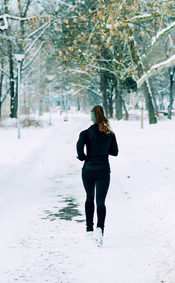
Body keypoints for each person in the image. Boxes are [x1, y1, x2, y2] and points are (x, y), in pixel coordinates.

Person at [76, 105, 118, 247]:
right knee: (101, 201)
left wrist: (83, 157)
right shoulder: (110, 134)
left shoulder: (85, 133)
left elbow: (80, 151)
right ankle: (100, 229)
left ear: (92, 117)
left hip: (88, 171)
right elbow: (115, 152)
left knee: (89, 197)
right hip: (104, 171)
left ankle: (89, 229)